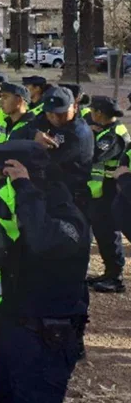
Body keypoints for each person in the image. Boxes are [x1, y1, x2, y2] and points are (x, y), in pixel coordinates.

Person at [0, 141, 91, 403]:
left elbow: (42, 240)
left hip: (47, 336)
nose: (0, 185)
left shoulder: (67, 214)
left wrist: (24, 187)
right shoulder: (20, 205)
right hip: (14, 324)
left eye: (4, 177)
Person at [86, 96, 129, 293]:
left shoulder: (114, 134)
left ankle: (116, 276)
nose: (91, 114)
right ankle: (108, 272)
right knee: (102, 234)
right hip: (101, 191)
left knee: (109, 234)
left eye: (93, 111)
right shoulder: (105, 130)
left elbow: (95, 155)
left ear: (100, 113)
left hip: (111, 190)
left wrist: (89, 135)